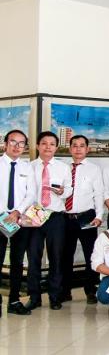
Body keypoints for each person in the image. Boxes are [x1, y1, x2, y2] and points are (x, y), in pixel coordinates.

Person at [27, 131, 73, 311]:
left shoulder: (63, 167)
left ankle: (55, 297)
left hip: (55, 216)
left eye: (52, 144)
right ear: (37, 146)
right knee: (33, 257)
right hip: (34, 214)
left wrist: (62, 192)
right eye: (44, 143)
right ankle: (34, 297)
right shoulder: (29, 167)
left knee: (56, 257)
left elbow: (69, 189)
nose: (48, 147)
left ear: (56, 147)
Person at [61, 135, 105, 305]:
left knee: (90, 255)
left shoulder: (94, 169)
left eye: (81, 146)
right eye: (74, 145)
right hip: (66, 217)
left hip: (87, 217)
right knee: (65, 255)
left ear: (87, 149)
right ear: (70, 148)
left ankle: (90, 290)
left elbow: (99, 193)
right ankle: (65, 291)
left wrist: (99, 216)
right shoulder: (63, 168)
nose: (78, 149)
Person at [0, 129, 36, 316]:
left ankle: (14, 300)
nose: (16, 146)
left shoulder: (27, 167)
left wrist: (16, 212)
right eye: (13, 142)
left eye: (21, 143)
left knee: (17, 261)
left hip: (19, 220)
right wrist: (3, 214)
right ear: (5, 143)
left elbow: (31, 194)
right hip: (0, 218)